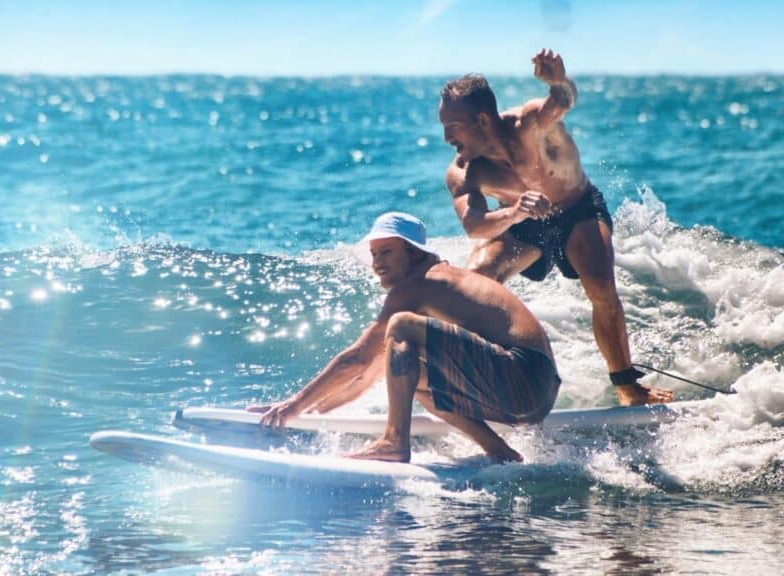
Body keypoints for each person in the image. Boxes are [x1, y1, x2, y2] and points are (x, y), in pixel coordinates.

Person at [438, 48, 674, 406]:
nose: (446, 139)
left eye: (452, 128)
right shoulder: (464, 171)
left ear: (483, 120)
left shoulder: (531, 123)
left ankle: (626, 385)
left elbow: (562, 100)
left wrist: (560, 81)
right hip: (524, 221)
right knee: (477, 276)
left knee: (599, 285)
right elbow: (474, 225)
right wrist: (516, 212)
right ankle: (483, 385)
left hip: (576, 209)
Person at [248, 212, 561, 463]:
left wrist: (292, 407)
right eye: (373, 254)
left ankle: (394, 441)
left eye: (386, 252)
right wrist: (313, 412)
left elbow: (357, 357)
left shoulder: (417, 286)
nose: (377, 263)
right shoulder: (437, 289)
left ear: (413, 253)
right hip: (536, 397)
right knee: (414, 377)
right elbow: (368, 372)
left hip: (524, 376)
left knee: (399, 325)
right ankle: (500, 452)